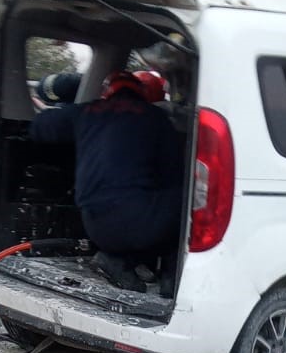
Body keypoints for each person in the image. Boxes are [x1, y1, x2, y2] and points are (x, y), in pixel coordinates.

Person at [31, 68, 184, 290]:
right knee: (188, 201)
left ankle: (118, 261)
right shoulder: (156, 118)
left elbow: (39, 127)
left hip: (95, 227)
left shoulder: (86, 112)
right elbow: (174, 175)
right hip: (143, 225)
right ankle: (170, 279)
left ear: (107, 93)